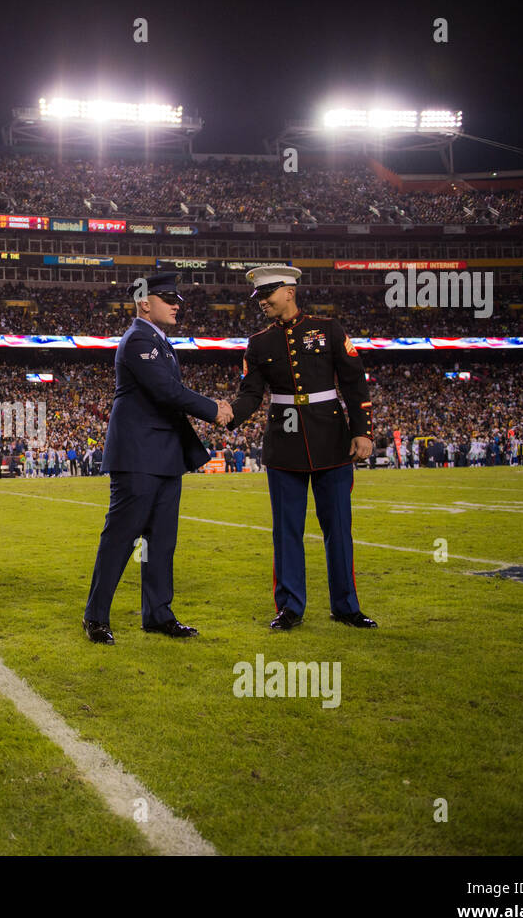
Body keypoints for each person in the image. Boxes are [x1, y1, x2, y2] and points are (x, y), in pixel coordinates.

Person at [82, 272, 234, 644]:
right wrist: (214, 408)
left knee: (161, 542)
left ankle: (158, 614)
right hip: (138, 456)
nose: (176, 305)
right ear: (145, 303)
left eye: (177, 300)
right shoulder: (138, 339)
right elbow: (167, 391)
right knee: (121, 537)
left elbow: (169, 393)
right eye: (168, 299)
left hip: (164, 456)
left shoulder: (160, 342)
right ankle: (95, 616)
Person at [225, 266, 377, 632]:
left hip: (332, 440)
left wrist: (363, 432)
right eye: (259, 297)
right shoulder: (259, 343)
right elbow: (251, 394)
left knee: (339, 529)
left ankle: (346, 606)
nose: (262, 302)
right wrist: (226, 414)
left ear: (290, 291)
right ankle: (290, 607)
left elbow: (355, 384)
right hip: (285, 445)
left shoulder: (329, 330)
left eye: (268, 295)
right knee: (287, 531)